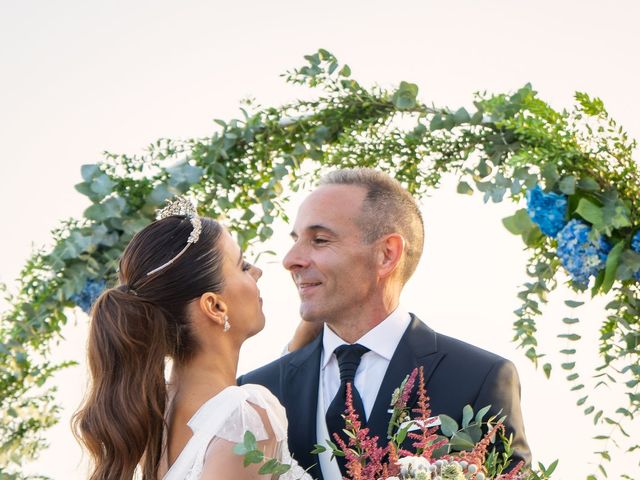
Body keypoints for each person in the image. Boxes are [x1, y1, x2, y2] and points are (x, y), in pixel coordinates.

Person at [238, 168, 531, 480]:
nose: (290, 260)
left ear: (386, 254)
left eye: (319, 240)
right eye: (296, 240)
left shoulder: (478, 378)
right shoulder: (257, 392)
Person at [73, 198, 312, 480]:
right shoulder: (241, 418)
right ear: (215, 306)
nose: (257, 272)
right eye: (243, 265)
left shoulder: (157, 412)